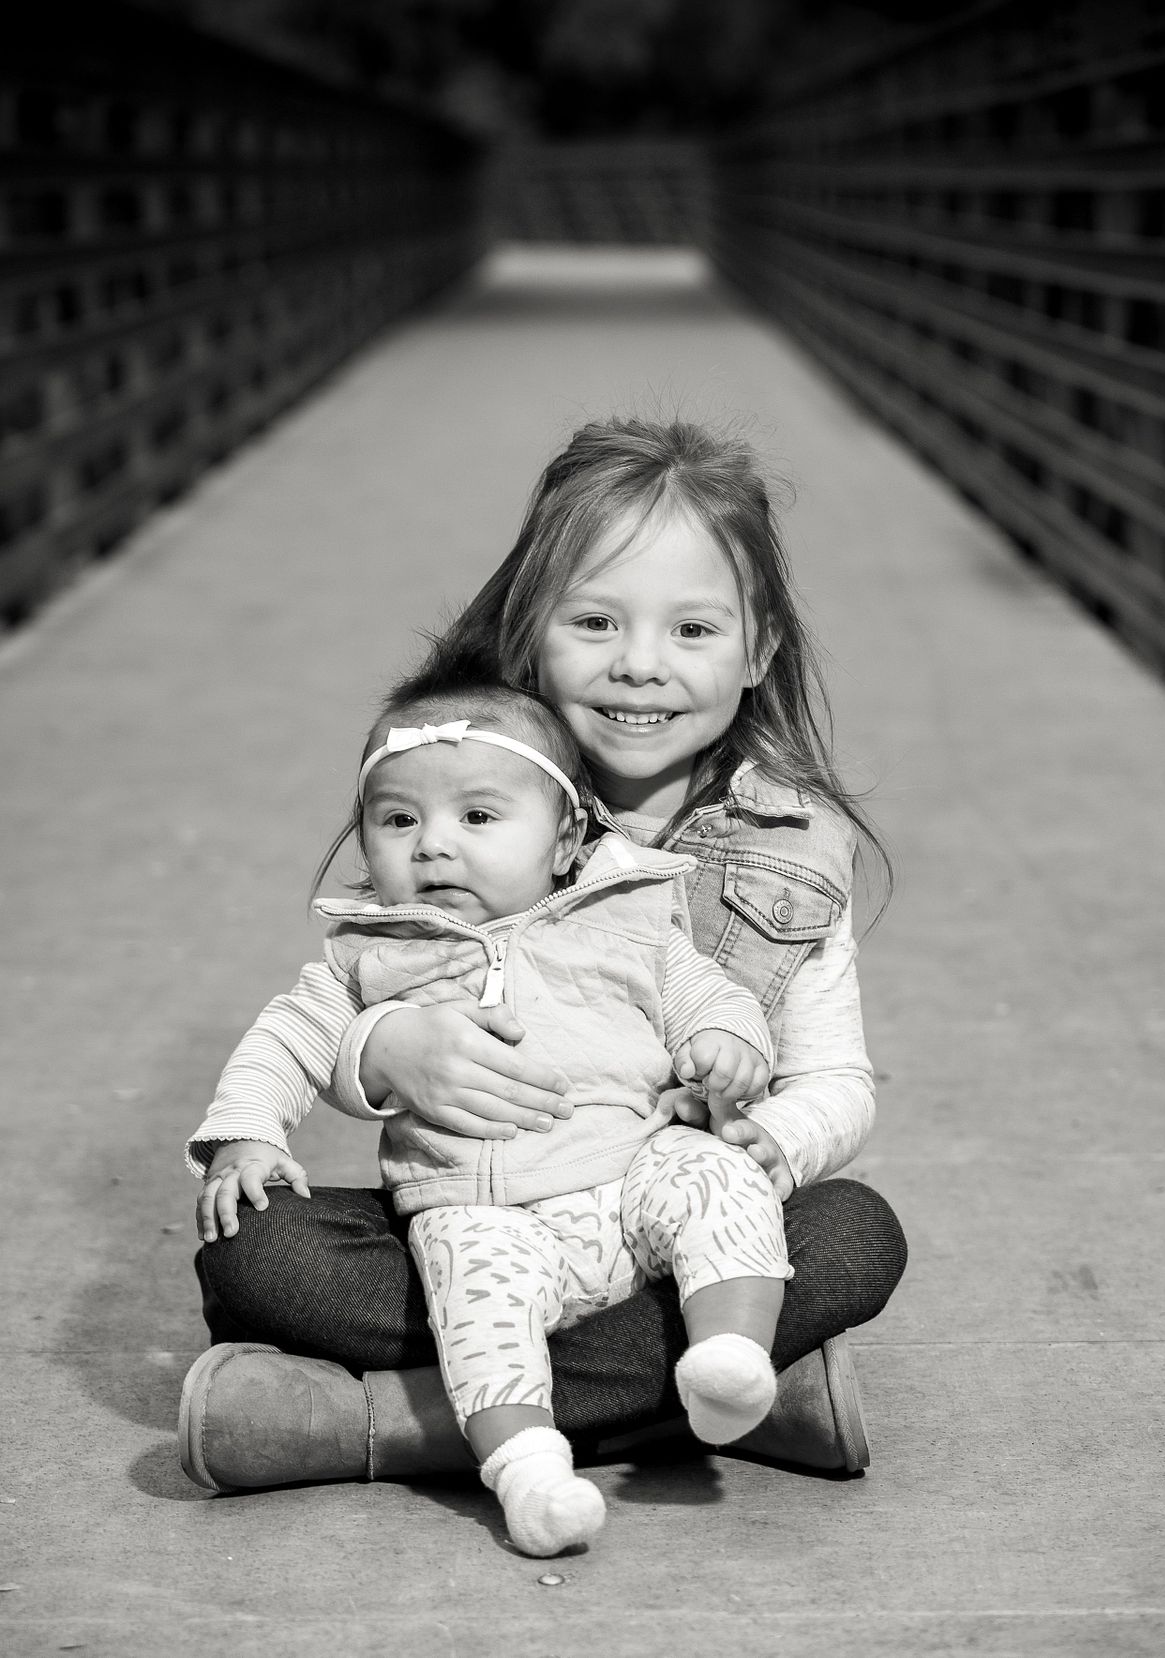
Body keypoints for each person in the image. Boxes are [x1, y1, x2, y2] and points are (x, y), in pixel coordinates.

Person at [181, 415, 907, 1502]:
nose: (641, 665)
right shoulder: (464, 784)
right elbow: (340, 992)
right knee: (259, 1252)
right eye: (597, 621)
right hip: (483, 1215)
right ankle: (724, 1399)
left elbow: (837, 1080)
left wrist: (764, 1139)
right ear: (531, 634)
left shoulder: (793, 849)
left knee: (851, 1236)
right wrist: (387, 1050)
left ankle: (380, 1425)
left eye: (693, 629)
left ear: (758, 649)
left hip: (670, 1206)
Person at [183, 683, 795, 1555]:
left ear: (566, 840)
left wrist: (728, 1044)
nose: (433, 844)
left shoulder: (626, 918)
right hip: (484, 1217)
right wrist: (247, 1134)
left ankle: (728, 1359)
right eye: (399, 821)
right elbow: (285, 1039)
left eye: (476, 817)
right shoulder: (369, 955)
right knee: (406, 1280)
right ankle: (532, 1471)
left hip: (635, 1183)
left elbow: (709, 995)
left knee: (733, 1181)